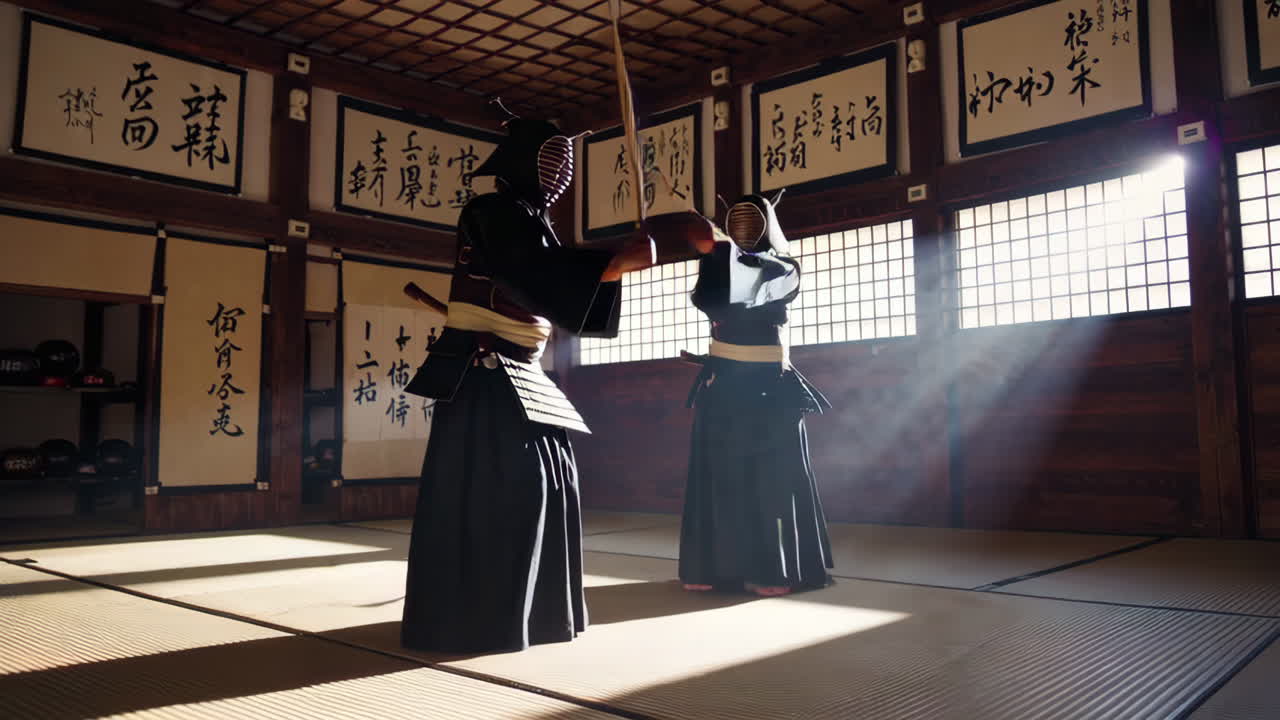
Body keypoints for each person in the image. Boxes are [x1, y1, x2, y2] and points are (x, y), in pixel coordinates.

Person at [400, 112, 658, 654]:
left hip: (523, 372)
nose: (561, 170)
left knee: (546, 488)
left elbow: (551, 281)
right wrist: (613, 265)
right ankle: (480, 617)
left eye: (564, 160)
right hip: (484, 372)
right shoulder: (491, 211)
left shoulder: (534, 220)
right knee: (503, 493)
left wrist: (611, 265)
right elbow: (526, 272)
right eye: (550, 159)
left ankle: (536, 612)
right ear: (519, 162)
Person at [678, 193, 835, 597]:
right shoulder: (717, 261)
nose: (745, 228)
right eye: (737, 220)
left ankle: (772, 568)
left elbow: (755, 279)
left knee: (772, 479)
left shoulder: (784, 267)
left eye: (754, 220)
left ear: (769, 224)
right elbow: (711, 299)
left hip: (770, 387)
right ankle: (711, 567)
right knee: (720, 476)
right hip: (724, 381)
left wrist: (721, 250)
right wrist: (716, 254)